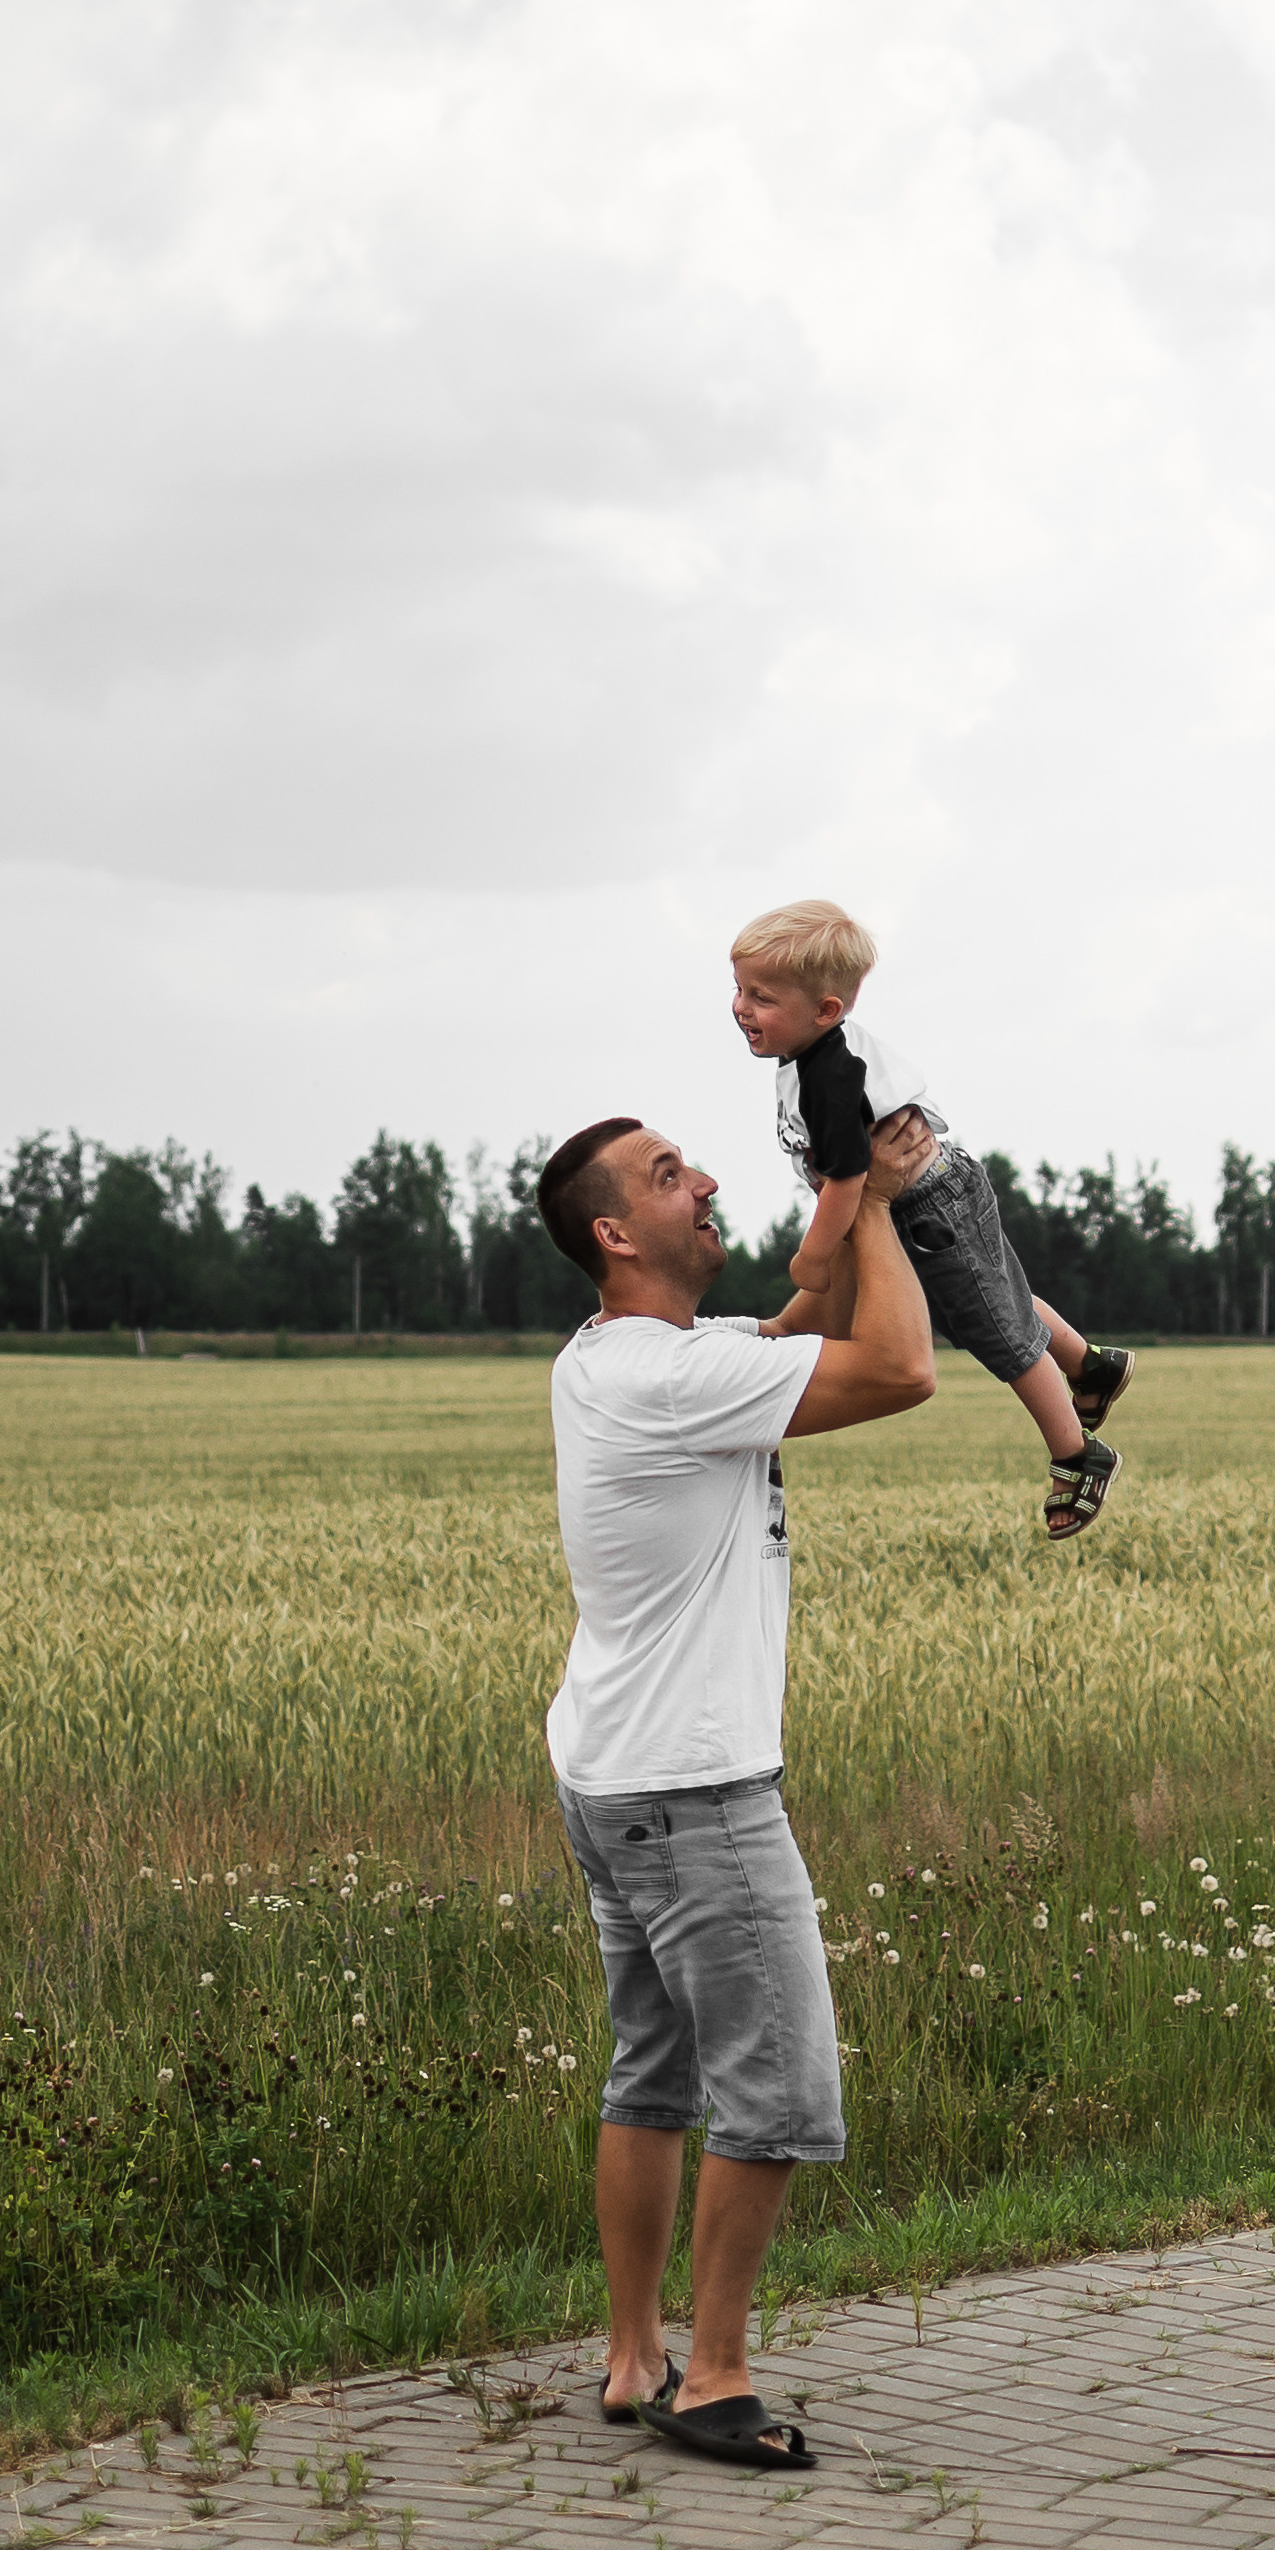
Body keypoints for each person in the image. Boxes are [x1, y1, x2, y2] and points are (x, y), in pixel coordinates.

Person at [535, 1106, 937, 2470]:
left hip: (612, 1775)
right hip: (695, 1791)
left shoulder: (628, 1359)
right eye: (667, 1176)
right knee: (774, 2085)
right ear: (611, 1232)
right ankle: (709, 2378)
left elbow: (805, 1311)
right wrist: (878, 1203)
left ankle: (633, 2349)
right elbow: (896, 1364)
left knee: (651, 2069)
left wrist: (842, 1189)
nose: (702, 1180)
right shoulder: (664, 1381)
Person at [731, 897, 1131, 1539]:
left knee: (991, 1323)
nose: (742, 1008)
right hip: (932, 1189)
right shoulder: (811, 1053)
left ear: (825, 1010)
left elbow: (848, 1178)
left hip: (926, 1203)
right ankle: (1089, 1365)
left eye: (762, 997)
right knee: (985, 1292)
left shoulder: (828, 1075)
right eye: (740, 990)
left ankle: (1078, 1455)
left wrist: (814, 1256)